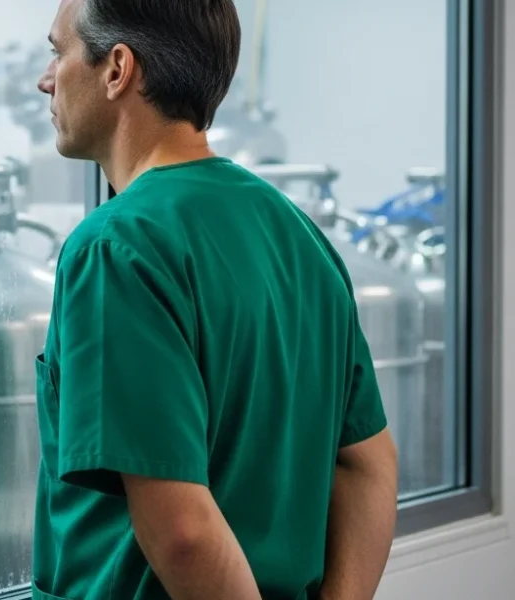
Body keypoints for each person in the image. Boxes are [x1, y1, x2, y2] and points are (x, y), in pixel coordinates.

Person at [31, 1, 400, 599]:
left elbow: (183, 533)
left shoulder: (116, 247)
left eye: (58, 52)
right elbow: (368, 463)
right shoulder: (297, 235)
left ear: (117, 69)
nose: (46, 79)